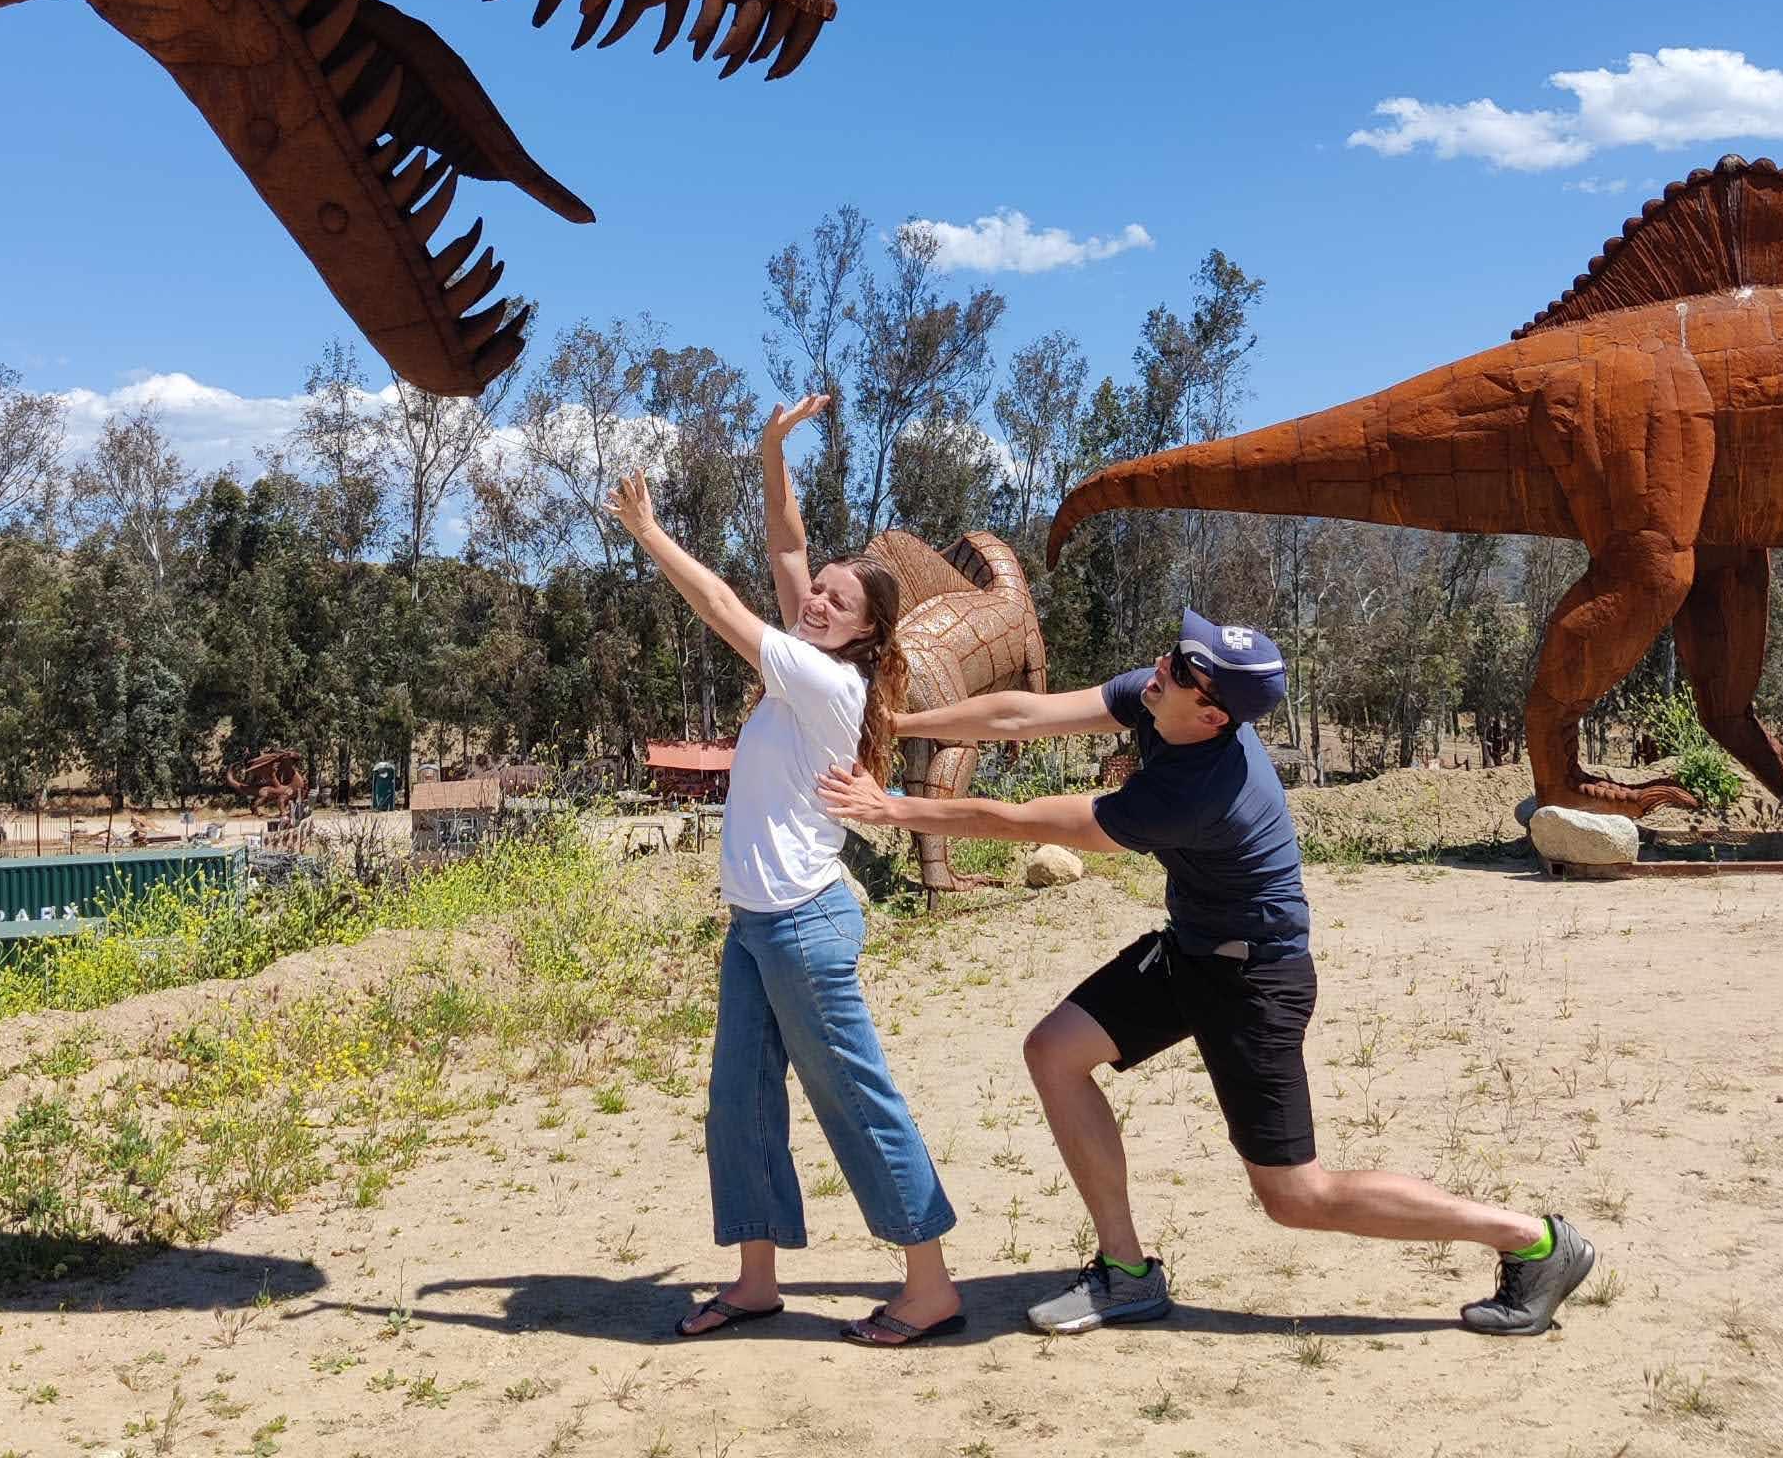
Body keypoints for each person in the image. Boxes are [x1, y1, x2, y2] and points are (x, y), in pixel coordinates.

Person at [815, 609, 1595, 1339]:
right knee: (1055, 1051)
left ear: (1213, 713)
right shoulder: (1163, 698)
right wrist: (901, 723)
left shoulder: (1195, 791)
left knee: (1296, 1197)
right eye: (1175, 652)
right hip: (1195, 948)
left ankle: (1534, 1241)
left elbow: (1019, 821)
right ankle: (1125, 1273)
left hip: (1257, 980)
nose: (1160, 666)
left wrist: (892, 809)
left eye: (1183, 667)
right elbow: (1023, 713)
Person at [604, 395, 963, 1347]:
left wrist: (650, 531)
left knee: (854, 1097)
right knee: (741, 1102)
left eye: (839, 600)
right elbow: (785, 546)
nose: (817, 598)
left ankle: (929, 1284)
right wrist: (770, 451)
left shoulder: (823, 679)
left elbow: (724, 603)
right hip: (756, 924)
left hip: (803, 925)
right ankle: (755, 1281)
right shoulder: (811, 653)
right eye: (821, 590)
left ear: (865, 634)